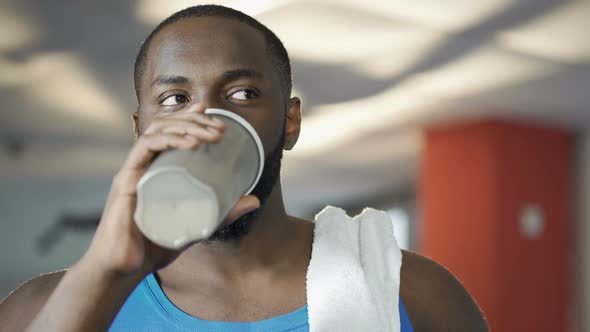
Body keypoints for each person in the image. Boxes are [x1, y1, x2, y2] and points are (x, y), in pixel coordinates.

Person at [0, 5, 488, 332]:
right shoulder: (39, 310)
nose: (206, 122)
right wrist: (105, 275)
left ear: (289, 121)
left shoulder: (417, 294)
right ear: (141, 129)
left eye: (242, 95)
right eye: (175, 99)